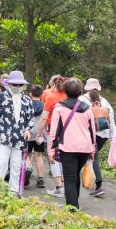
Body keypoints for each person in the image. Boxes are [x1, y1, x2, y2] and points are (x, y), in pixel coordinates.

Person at [49, 78, 96, 209]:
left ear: (65, 90)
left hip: (68, 148)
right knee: (75, 175)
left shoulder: (59, 108)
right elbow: (92, 131)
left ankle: (72, 209)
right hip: (85, 148)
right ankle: (75, 205)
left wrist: (51, 151)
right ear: (80, 92)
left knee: (69, 178)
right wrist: (92, 150)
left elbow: (54, 132)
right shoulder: (87, 108)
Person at [0, 71, 34, 194]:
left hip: (19, 139)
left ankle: (14, 192)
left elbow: (30, 118)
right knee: (0, 164)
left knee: (16, 167)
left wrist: (27, 129)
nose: (17, 87)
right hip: (3, 137)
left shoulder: (27, 100)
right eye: (14, 84)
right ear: (9, 84)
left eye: (20, 85)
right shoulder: (1, 97)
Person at [78, 78, 116, 198]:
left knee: (92, 157)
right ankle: (91, 181)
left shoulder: (82, 100)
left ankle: (98, 185)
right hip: (103, 135)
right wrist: (112, 136)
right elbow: (111, 119)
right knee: (91, 157)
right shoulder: (104, 101)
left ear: (87, 88)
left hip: (89, 134)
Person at [35, 75, 67, 198]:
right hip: (68, 132)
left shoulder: (51, 97)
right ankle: (65, 185)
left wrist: (39, 132)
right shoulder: (69, 97)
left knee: (53, 158)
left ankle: (59, 187)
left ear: (53, 85)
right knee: (64, 157)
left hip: (52, 132)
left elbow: (44, 118)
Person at [26, 85, 48, 188]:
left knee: (27, 155)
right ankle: (40, 179)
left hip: (28, 132)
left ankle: (27, 172)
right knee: (39, 156)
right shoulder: (44, 106)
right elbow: (44, 119)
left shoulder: (27, 104)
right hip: (40, 134)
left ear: (30, 94)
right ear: (42, 95)